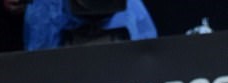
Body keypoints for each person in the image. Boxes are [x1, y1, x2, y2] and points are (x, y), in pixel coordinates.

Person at [22, 0, 157, 51]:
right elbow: (38, 67)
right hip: (56, 22)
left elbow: (146, 55)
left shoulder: (133, 14)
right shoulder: (44, 11)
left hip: (120, 27)